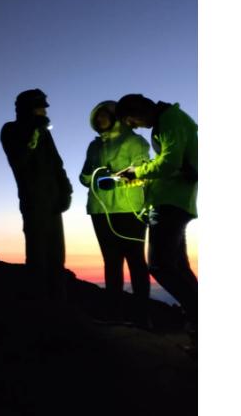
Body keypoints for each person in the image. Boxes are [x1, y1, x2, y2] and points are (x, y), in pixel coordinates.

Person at [114, 94, 198, 343]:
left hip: (169, 204)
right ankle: (198, 326)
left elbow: (170, 163)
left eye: (132, 121)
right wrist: (134, 177)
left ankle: (199, 318)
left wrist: (136, 172)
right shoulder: (169, 120)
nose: (135, 127)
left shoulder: (171, 119)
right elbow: (170, 165)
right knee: (178, 268)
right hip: (173, 201)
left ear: (138, 110)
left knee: (159, 266)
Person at [78, 101, 152, 325]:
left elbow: (144, 172)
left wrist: (115, 180)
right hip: (100, 211)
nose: (100, 120)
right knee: (111, 263)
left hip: (130, 211)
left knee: (136, 262)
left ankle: (141, 318)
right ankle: (114, 315)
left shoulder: (135, 141)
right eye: (97, 118)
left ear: (115, 117)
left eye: (104, 116)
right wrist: (93, 178)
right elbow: (83, 177)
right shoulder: (94, 147)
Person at [0, 89, 72, 300]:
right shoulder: (11, 130)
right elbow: (20, 160)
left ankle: (60, 307)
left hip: (53, 203)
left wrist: (66, 191)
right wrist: (33, 133)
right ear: (28, 108)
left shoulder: (44, 132)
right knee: (38, 258)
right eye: (40, 106)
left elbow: (57, 163)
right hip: (33, 203)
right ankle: (40, 307)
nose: (44, 110)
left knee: (57, 258)